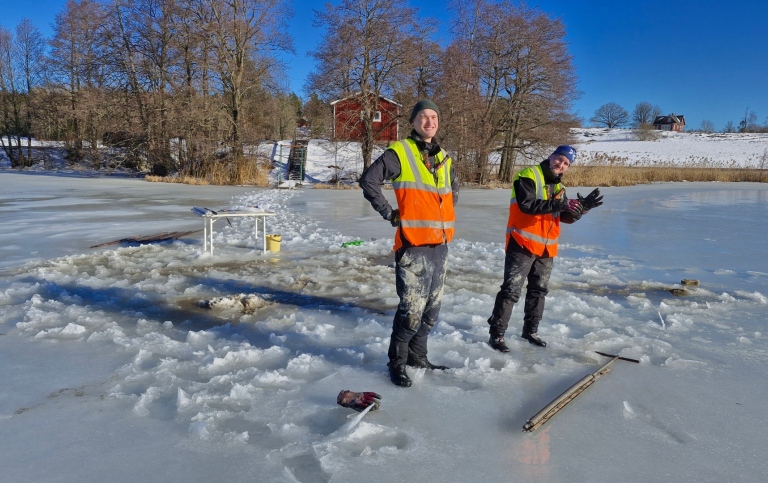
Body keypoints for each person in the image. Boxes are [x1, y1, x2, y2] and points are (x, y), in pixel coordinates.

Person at [359, 99, 459, 387]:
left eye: (434, 117)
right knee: (411, 312)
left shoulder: (443, 157)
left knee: (431, 310)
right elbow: (369, 181)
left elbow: (452, 190)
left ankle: (418, 357)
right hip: (413, 245)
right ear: (414, 122)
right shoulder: (400, 152)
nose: (430, 121)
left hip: (440, 245)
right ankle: (397, 364)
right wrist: (390, 214)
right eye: (424, 117)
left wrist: (444, 213)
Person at [486, 145, 603, 352]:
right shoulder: (528, 175)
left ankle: (530, 331)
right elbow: (527, 205)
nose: (561, 164)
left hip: (546, 248)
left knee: (538, 291)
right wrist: (561, 205)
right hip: (522, 242)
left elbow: (565, 217)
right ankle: (497, 335)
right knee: (511, 290)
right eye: (559, 159)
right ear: (551, 156)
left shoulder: (559, 188)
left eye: (566, 163)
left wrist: (583, 208)